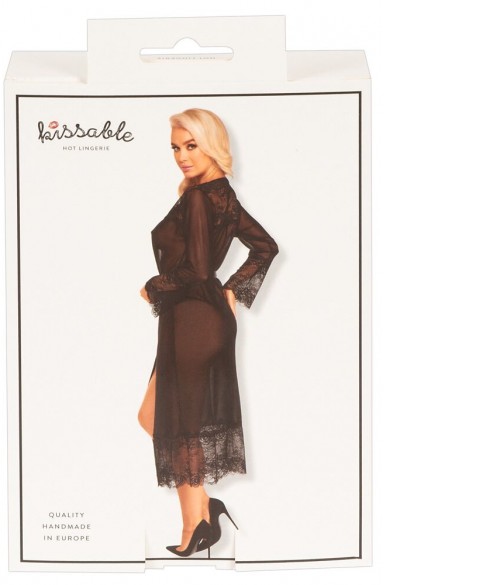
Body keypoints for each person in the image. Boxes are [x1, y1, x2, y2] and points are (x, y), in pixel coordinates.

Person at [138, 108, 279, 557]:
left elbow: (198, 270)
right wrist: (230, 292)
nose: (181, 156)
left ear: (211, 144)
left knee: (177, 424)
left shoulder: (201, 198)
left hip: (193, 320)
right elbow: (265, 247)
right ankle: (204, 511)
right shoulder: (222, 196)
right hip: (201, 319)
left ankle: (194, 525)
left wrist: (153, 286)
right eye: (175, 148)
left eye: (191, 145)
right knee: (160, 418)